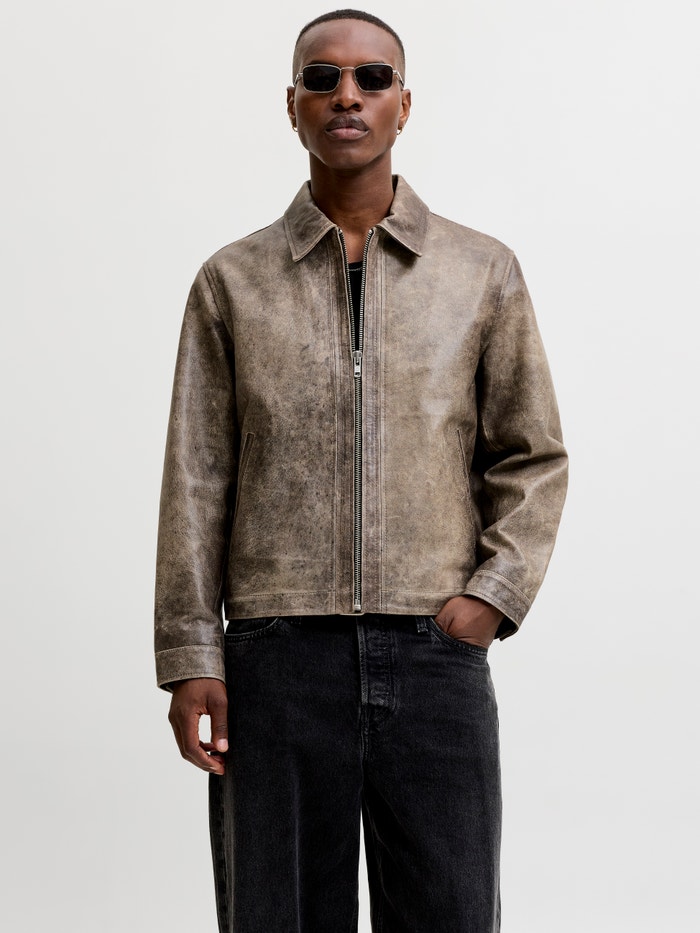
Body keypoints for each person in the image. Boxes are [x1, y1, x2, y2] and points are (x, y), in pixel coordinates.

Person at [155, 9, 568, 932]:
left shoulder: (481, 272)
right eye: (324, 77)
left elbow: (531, 454)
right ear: (293, 105)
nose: (348, 94)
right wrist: (190, 656)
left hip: (434, 654)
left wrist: (493, 595)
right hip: (275, 660)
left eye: (372, 78)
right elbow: (196, 477)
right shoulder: (232, 282)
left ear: (403, 105)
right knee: (277, 915)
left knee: (451, 912)